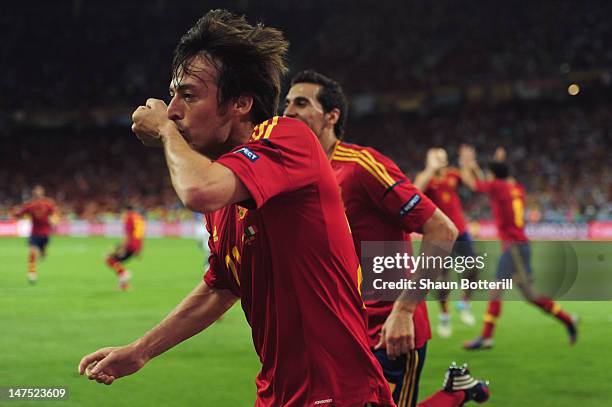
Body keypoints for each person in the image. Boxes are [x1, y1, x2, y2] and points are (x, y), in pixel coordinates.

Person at [79, 10, 394, 407]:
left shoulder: (287, 137)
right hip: (277, 395)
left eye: (188, 95)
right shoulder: (225, 193)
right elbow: (222, 287)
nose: (173, 109)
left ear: (241, 103)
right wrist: (142, 350)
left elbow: (196, 189)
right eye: (173, 96)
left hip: (337, 394)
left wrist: (163, 131)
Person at [284, 70, 489, 407]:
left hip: (389, 329)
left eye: (301, 103)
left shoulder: (361, 167)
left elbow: (442, 230)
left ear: (331, 116)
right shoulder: (297, 177)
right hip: (340, 332)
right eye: (287, 103)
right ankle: (458, 390)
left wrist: (405, 310)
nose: (288, 112)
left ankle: (457, 393)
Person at [458, 145, 578, 350]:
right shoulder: (515, 188)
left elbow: (472, 183)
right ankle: (567, 319)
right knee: (530, 295)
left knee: (496, 290)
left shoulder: (498, 187)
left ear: (495, 176)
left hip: (513, 247)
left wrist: (465, 163)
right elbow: (489, 180)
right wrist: (489, 163)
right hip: (519, 246)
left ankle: (486, 336)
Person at [414, 148, 478, 338]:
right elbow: (415, 190)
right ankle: (445, 315)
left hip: (460, 230)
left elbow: (474, 183)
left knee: (473, 267)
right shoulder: (427, 178)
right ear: (429, 159)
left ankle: (465, 303)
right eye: (437, 157)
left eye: (443, 157)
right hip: (441, 235)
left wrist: (470, 164)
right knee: (442, 279)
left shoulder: (452, 174)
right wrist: (430, 169)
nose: (442, 160)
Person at [11, 185, 57, 284]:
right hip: (34, 233)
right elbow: (20, 214)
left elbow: (54, 214)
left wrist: (54, 221)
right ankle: (32, 273)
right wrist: (15, 213)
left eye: (40, 191)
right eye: (36, 191)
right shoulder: (30, 205)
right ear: (34, 193)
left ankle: (43, 252)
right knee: (32, 252)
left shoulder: (48, 204)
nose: (38, 193)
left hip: (45, 233)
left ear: (43, 192)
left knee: (43, 254)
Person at [105, 205, 145, 291]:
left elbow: (128, 235)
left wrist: (122, 247)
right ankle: (124, 284)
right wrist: (139, 250)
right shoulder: (139, 218)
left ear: (126, 211)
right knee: (116, 261)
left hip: (129, 245)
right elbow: (140, 235)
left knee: (109, 258)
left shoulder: (129, 218)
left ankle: (124, 274)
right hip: (136, 246)